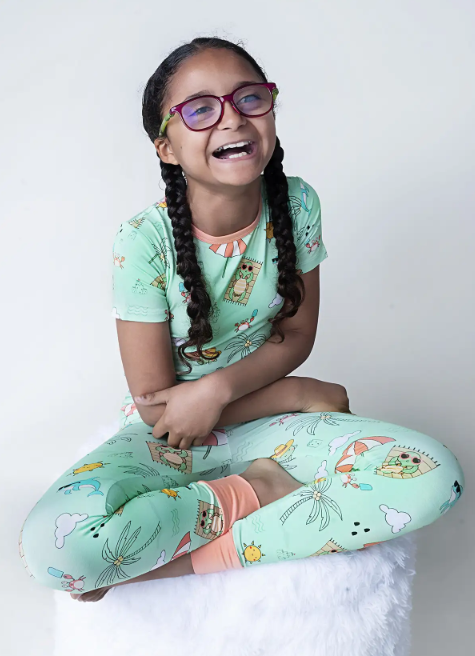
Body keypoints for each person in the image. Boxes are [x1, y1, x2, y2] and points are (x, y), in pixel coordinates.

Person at [18, 37, 465, 603]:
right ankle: (260, 490)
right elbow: (157, 405)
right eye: (200, 109)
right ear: (166, 148)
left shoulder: (297, 205)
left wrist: (226, 390)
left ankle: (188, 553)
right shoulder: (143, 241)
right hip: (169, 439)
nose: (232, 118)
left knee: (434, 474)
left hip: (269, 426)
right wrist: (297, 393)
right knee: (52, 550)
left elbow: (296, 334)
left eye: (249, 98)